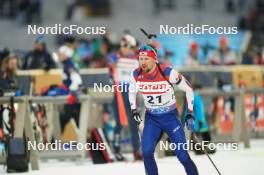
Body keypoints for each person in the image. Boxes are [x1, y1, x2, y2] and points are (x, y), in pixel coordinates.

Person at [128, 44, 199, 175]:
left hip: (170, 118)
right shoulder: (136, 74)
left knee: (182, 156)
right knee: (147, 152)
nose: (142, 62)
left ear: (154, 59)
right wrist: (134, 110)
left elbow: (188, 88)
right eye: (140, 59)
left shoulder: (168, 72)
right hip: (152, 119)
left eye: (146, 59)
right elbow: (131, 92)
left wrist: (190, 114)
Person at [107, 34, 142, 161]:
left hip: (132, 93)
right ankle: (116, 151)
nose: (124, 48)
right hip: (120, 94)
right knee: (120, 123)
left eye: (127, 46)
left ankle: (136, 150)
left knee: (134, 123)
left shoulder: (137, 59)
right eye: (122, 45)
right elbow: (110, 65)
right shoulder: (115, 57)